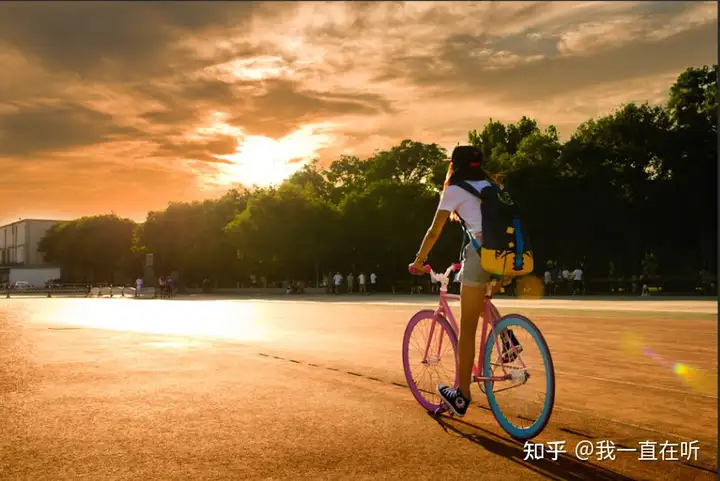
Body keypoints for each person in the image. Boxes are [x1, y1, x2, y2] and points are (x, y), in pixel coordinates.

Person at [409, 145, 519, 417]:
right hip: (509, 254)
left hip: (481, 254)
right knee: (480, 301)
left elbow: (434, 231)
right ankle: (506, 336)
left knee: (467, 328)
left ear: (454, 166)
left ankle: (462, 396)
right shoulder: (491, 186)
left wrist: (419, 261)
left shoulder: (455, 190)